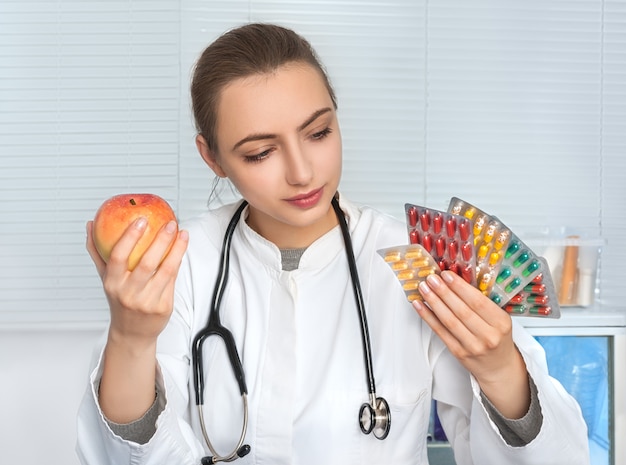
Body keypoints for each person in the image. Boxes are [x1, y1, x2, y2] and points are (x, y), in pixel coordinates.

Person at [77, 23, 589, 464]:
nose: (303, 173)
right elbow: (125, 456)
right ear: (212, 158)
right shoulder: (183, 265)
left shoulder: (416, 261)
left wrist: (499, 367)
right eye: (259, 153)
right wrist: (131, 338)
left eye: (318, 133)